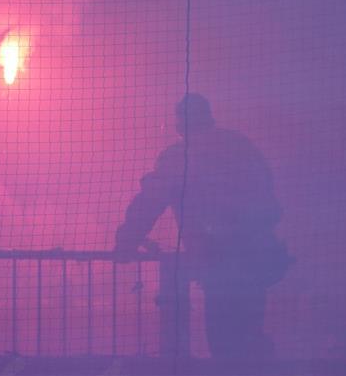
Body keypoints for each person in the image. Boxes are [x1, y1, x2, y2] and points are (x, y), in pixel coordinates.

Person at [114, 93, 291, 359]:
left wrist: (126, 241)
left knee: (224, 340)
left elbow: (150, 201)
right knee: (250, 335)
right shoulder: (241, 147)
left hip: (217, 262)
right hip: (254, 261)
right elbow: (270, 205)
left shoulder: (180, 157)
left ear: (179, 124)